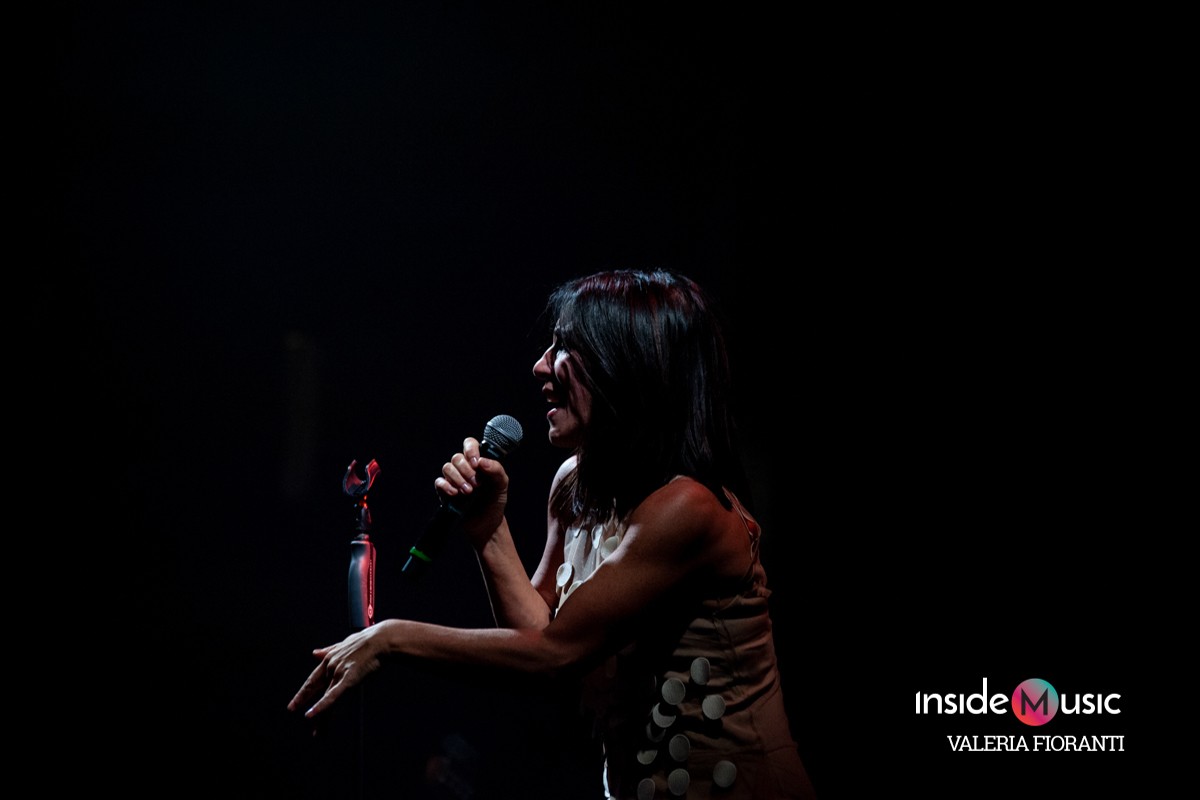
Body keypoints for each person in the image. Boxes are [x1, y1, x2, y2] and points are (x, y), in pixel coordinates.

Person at [289, 269, 817, 799]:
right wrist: (488, 527)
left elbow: (553, 655)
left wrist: (391, 639)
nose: (540, 365)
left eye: (564, 346)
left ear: (627, 363)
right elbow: (537, 631)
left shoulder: (688, 508)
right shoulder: (574, 484)